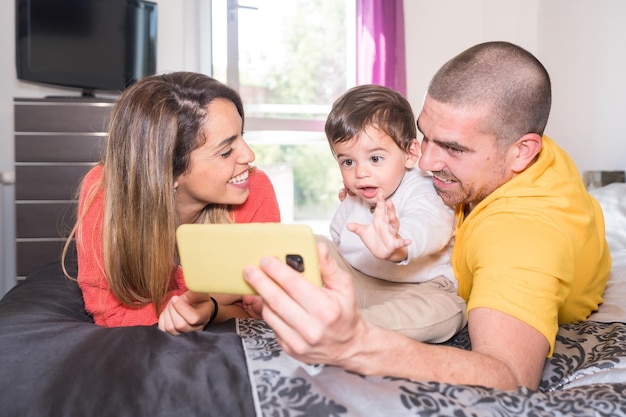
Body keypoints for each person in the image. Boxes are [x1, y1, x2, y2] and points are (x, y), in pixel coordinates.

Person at [241, 41, 611, 390]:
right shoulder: (508, 136)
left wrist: (356, 345)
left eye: (452, 148)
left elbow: (510, 375)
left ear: (522, 153)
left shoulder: (521, 236)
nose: (428, 163)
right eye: (426, 136)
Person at [62, 71, 281, 335]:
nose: (250, 155)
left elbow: (259, 311)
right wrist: (216, 300)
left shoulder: (254, 189)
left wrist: (211, 308)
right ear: (169, 171)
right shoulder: (103, 191)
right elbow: (111, 314)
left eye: (242, 136)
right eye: (225, 151)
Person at [323, 84, 466, 341]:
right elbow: (338, 236)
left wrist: (397, 245)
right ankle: (323, 307)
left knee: (447, 311)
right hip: (359, 280)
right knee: (314, 245)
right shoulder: (357, 192)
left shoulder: (422, 187)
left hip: (417, 289)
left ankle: (355, 324)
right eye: (348, 161)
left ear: (410, 154)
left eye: (375, 159)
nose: (360, 172)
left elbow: (429, 225)